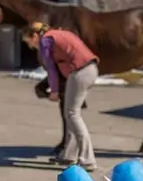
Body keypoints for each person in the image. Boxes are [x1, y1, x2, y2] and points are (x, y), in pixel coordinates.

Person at [22, 21, 99, 171]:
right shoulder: (59, 33)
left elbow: (50, 68)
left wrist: (55, 91)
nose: (31, 47)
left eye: (29, 42)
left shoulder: (46, 40)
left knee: (72, 114)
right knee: (69, 113)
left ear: (35, 35)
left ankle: (88, 159)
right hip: (89, 69)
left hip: (79, 73)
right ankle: (69, 155)